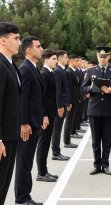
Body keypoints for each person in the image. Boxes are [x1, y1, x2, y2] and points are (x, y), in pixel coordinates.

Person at [82, 46, 111, 175]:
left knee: (106, 140)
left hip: (108, 109)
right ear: (97, 57)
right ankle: (96, 165)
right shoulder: (90, 71)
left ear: (109, 57)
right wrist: (89, 88)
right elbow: (82, 88)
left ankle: (105, 164)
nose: (103, 59)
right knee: (95, 140)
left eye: (105, 57)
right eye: (101, 57)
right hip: (94, 109)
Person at [15, 36, 45, 205]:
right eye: (38, 46)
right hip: (28, 125)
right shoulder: (26, 69)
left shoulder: (33, 67)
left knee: (26, 162)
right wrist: (24, 123)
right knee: (24, 162)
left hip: (34, 122)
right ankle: (22, 198)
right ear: (28, 50)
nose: (41, 49)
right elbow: (22, 99)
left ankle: (25, 195)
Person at [0, 22, 21, 205]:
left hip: (11, 135)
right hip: (3, 138)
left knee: (5, 185)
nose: (19, 42)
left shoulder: (11, 65)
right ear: (3, 40)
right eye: (15, 38)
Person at [36, 50, 59, 182]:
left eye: (56, 59)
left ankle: (44, 171)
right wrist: (44, 115)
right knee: (43, 144)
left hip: (50, 114)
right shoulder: (44, 74)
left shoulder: (50, 73)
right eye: (53, 59)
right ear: (46, 60)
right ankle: (41, 173)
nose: (56, 61)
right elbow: (42, 98)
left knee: (46, 143)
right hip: (46, 115)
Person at [52, 50, 71, 161]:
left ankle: (57, 151)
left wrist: (67, 103)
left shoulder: (63, 71)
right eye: (65, 57)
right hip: (59, 106)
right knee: (57, 129)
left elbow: (66, 90)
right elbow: (58, 90)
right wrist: (59, 106)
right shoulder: (58, 71)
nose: (67, 59)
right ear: (59, 59)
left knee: (58, 129)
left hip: (63, 104)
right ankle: (56, 152)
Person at [63, 54, 80, 148]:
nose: (78, 62)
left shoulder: (74, 71)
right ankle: (66, 141)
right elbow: (68, 88)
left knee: (71, 120)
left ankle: (68, 139)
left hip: (74, 100)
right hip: (70, 101)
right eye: (76, 60)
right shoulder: (69, 72)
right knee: (69, 121)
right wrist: (68, 102)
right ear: (72, 61)